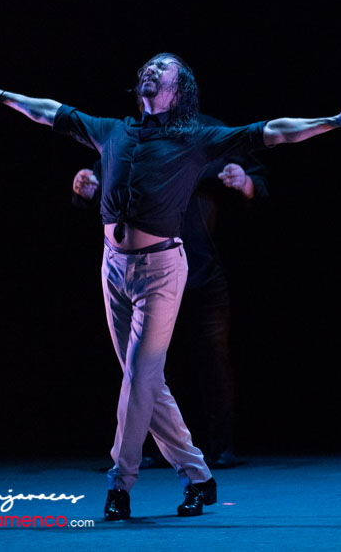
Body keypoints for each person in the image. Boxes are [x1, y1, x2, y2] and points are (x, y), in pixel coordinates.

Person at [0, 53, 341, 520]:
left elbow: (272, 132)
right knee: (145, 380)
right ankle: (199, 477)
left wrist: (333, 122)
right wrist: (1, 96)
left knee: (139, 377)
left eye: (165, 67)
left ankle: (120, 484)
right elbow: (50, 111)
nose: (154, 68)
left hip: (160, 270)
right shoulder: (112, 131)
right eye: (150, 65)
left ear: (178, 91)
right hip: (113, 267)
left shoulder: (194, 139)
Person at [71, 111, 268, 470]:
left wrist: (245, 183)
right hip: (147, 275)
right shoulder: (131, 135)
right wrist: (85, 188)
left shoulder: (208, 131)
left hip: (202, 271)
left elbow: (258, 177)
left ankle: (221, 446)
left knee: (213, 363)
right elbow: (101, 182)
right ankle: (153, 447)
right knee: (147, 364)